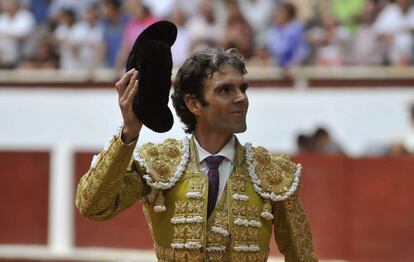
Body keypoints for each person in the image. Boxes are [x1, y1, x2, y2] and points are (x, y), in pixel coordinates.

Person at [75, 47, 317, 261]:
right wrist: (129, 131)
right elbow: (93, 206)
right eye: (225, 90)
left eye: (242, 88)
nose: (241, 98)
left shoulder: (273, 173)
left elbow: (302, 257)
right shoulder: (159, 164)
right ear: (194, 104)